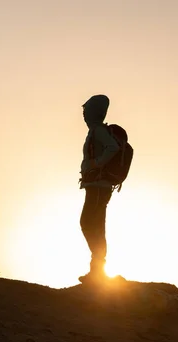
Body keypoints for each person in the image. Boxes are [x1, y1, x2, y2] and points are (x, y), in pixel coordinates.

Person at [78, 94, 120, 283]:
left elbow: (113, 147)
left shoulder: (98, 131)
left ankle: (98, 270)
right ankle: (96, 270)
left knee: (89, 223)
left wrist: (96, 164)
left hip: (98, 187)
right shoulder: (95, 131)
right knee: (93, 223)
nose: (84, 113)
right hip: (95, 186)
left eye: (86, 109)